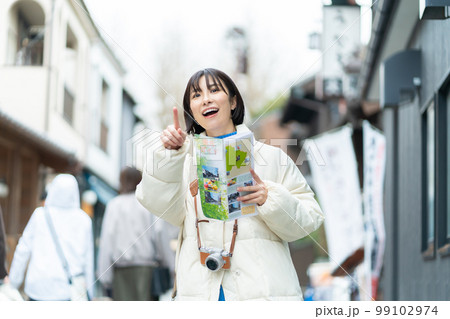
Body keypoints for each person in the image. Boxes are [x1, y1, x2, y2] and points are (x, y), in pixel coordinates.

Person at [136, 68, 324, 300]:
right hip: (200, 295)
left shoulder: (272, 158)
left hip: (263, 296)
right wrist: (169, 156)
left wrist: (269, 198)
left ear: (233, 101)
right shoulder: (182, 161)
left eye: (214, 91)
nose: (205, 99)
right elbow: (162, 207)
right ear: (192, 110)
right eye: (196, 95)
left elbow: (310, 219)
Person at [8, 174, 94, 301]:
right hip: (68, 291)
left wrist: (13, 283)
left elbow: (23, 249)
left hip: (38, 288)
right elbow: (88, 260)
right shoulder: (84, 220)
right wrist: (89, 293)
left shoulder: (40, 215)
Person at [97, 167, 160, 301]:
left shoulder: (114, 205)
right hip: (146, 269)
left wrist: (104, 276)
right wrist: (169, 265)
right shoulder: (147, 204)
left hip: (121, 271)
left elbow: (107, 241)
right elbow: (158, 235)